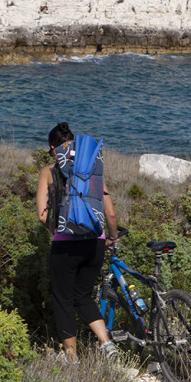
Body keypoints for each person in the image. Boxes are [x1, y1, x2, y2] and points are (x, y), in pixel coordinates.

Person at [36, 122, 119, 363]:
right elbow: (110, 214)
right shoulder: (93, 170)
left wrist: (60, 229)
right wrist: (111, 237)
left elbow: (42, 215)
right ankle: (106, 343)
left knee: (63, 298)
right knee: (82, 296)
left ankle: (71, 358)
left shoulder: (48, 172)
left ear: (54, 148)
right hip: (95, 243)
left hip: (65, 245)